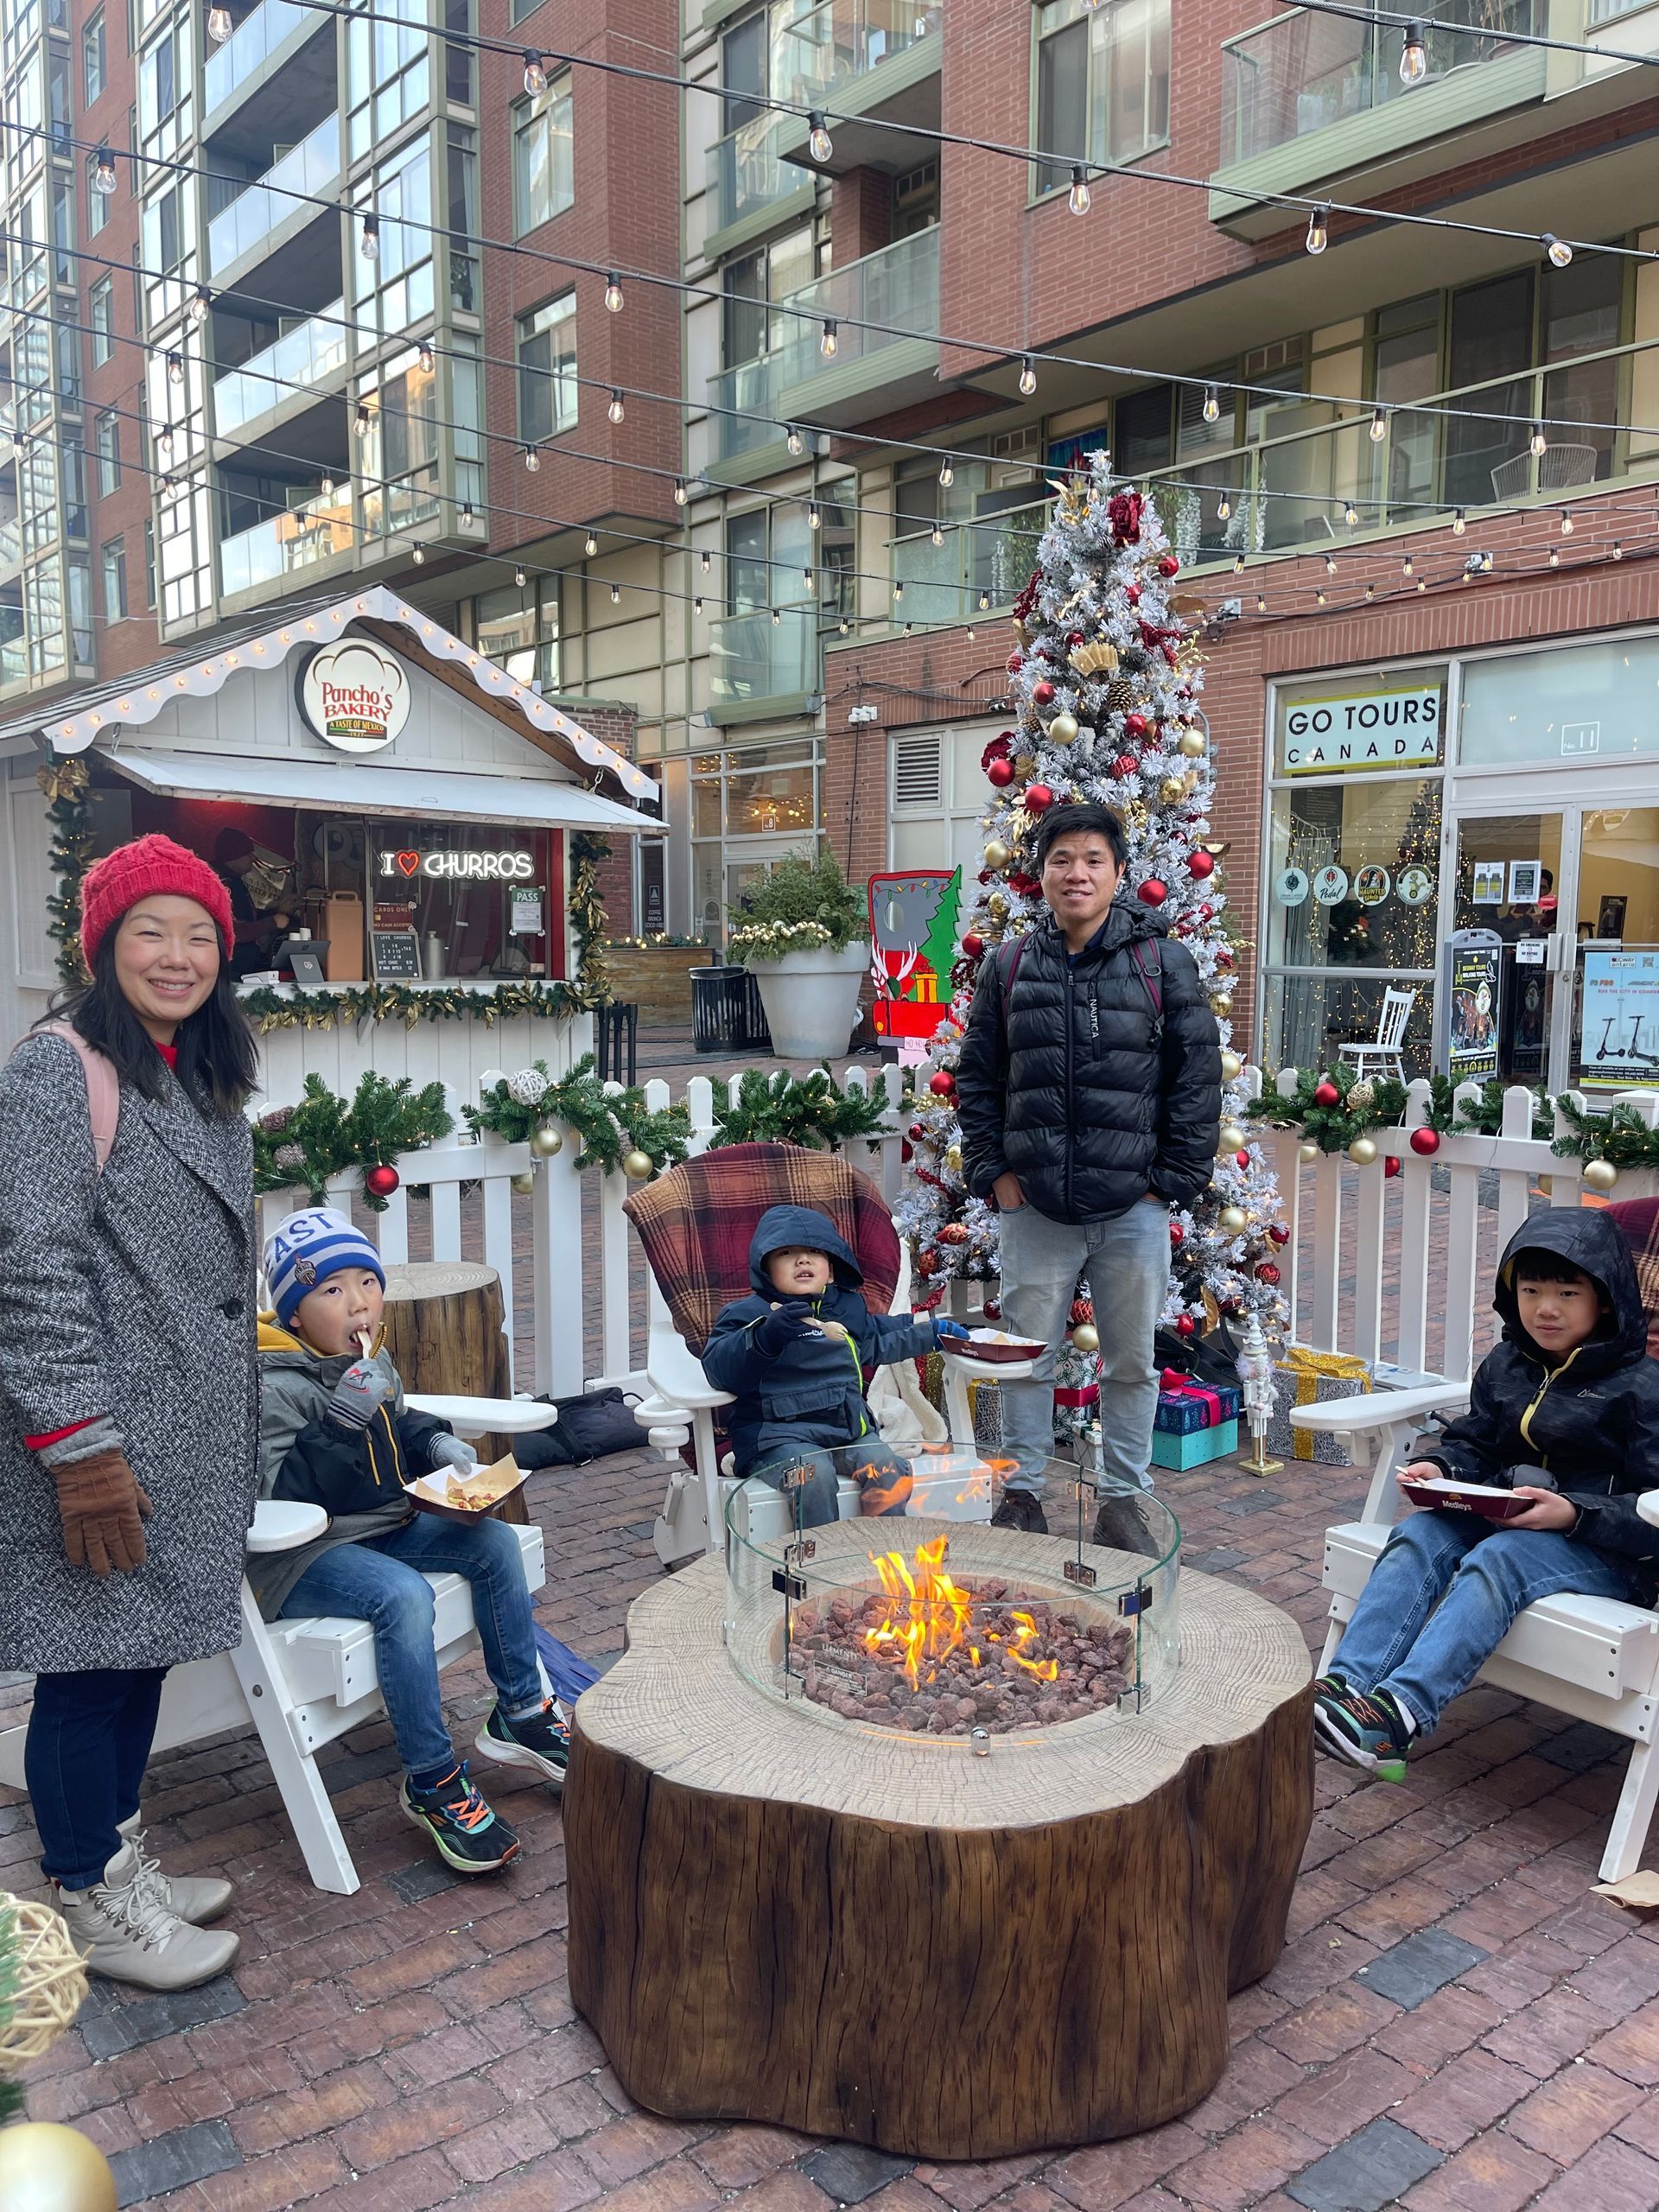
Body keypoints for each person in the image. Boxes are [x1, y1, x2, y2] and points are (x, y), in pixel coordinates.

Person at [0, 833, 261, 1989]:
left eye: (198, 933)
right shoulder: (61, 1067)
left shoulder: (194, 1070)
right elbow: (30, 1265)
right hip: (107, 1440)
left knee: (139, 1660)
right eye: (149, 930)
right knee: (88, 1671)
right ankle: (83, 1888)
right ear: (102, 945)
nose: (176, 954)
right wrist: (78, 1449)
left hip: (187, 1437)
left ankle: (115, 1850)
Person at [257, 1208, 568, 1873]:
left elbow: (399, 1422)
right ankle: (431, 1778)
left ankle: (520, 1709)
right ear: (293, 1315)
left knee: (495, 1545)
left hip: (383, 1525)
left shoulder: (371, 1360)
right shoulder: (273, 1387)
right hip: (302, 1556)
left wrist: (436, 1444)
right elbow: (274, 1495)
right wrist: (342, 1421)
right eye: (331, 1291)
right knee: (403, 1598)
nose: (358, 1303)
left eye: (366, 1283)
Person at [954, 803, 1222, 1535]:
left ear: (1119, 874)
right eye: (1062, 859)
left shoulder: (1161, 963)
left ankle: (1122, 1501)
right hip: (1034, 1207)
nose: (1077, 873)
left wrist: (1168, 1181)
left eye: (1093, 860)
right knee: (1025, 1359)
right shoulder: (1009, 968)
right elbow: (976, 1079)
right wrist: (992, 1174)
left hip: (1132, 1208)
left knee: (1131, 1363)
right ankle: (1023, 1492)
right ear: (1040, 875)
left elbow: (1196, 1082)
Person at [1316, 1211, 1659, 1781]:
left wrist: (1574, 1513)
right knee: (1421, 1533)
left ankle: (1394, 1720)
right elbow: (1475, 1440)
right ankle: (1346, 1688)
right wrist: (1439, 1465)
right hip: (1508, 1516)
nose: (1545, 1308)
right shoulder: (1508, 1364)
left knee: (1500, 1559)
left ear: (1604, 1300)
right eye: (1531, 1290)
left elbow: (1651, 1510)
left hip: (1606, 1552)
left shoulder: (1642, 1389)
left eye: (1567, 1293)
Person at [700, 1204, 969, 1529]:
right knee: (812, 1475)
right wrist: (764, 1338)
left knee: (888, 1467)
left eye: (814, 1251)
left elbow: (879, 1338)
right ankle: (822, 1565)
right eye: (786, 1253)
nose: (802, 1260)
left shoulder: (845, 1309)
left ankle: (884, 1557)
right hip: (777, 1437)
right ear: (766, 1269)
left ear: (831, 1268)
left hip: (846, 1431)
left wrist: (932, 1334)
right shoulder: (752, 1314)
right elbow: (718, 1367)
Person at [213, 827, 291, 979]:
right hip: (232, 971)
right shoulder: (222, 885)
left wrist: (277, 911)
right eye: (248, 853)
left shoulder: (234, 881)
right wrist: (272, 922)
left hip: (242, 966)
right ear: (234, 855)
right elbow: (234, 931)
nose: (252, 858)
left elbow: (247, 919)